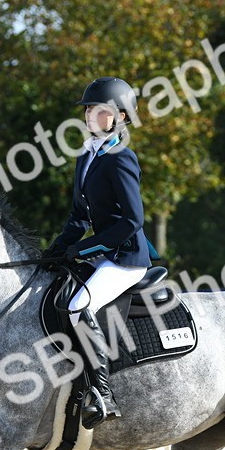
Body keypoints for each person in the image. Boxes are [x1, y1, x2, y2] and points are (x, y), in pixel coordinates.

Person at [42, 76, 157, 428]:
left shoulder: (121, 158)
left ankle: (102, 393)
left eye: (99, 110)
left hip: (126, 259)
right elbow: (80, 216)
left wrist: (84, 248)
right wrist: (56, 250)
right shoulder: (87, 155)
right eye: (89, 109)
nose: (90, 115)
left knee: (78, 305)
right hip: (103, 254)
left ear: (121, 117)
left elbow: (131, 220)